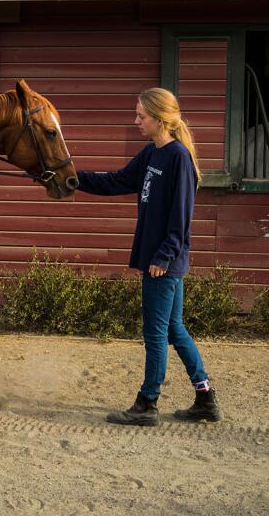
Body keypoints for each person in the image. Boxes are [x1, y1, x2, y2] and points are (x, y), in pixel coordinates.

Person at [76, 88, 223, 426]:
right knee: (174, 329)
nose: (136, 120)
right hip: (160, 260)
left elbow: (181, 217)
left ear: (160, 118)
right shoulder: (150, 155)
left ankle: (147, 403)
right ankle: (205, 398)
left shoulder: (178, 158)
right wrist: (74, 177)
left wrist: (163, 256)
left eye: (141, 115)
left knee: (155, 333)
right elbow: (116, 181)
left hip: (163, 264)